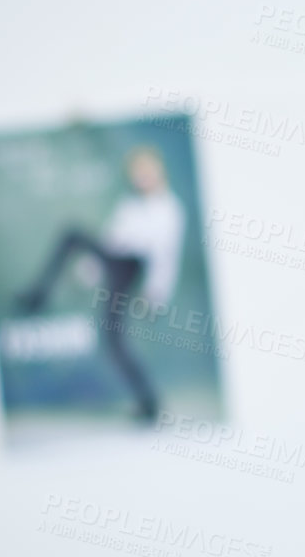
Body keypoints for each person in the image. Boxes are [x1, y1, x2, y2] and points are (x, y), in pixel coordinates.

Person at [14, 144, 185, 421]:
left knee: (113, 337)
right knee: (72, 237)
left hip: (132, 268)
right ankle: (38, 294)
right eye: (137, 172)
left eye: (146, 170)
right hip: (115, 261)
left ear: (158, 169)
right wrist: (89, 270)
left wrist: (156, 294)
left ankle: (149, 402)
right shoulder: (130, 204)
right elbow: (112, 238)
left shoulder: (169, 209)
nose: (142, 177)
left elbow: (166, 256)